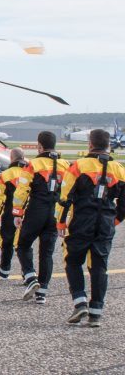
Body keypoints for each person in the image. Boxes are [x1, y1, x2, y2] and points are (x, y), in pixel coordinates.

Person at [57, 129, 125, 327]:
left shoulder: (79, 166)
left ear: (90, 144)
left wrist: (61, 222)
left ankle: (80, 301)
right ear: (108, 145)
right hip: (105, 222)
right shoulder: (120, 169)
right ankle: (96, 313)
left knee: (72, 261)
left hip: (81, 221)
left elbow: (64, 197)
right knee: (99, 266)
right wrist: (115, 220)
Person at [12, 131, 69, 304]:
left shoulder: (33, 164)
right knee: (47, 253)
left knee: (22, 245)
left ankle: (31, 278)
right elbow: (69, 192)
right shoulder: (66, 164)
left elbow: (22, 190)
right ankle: (42, 293)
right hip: (55, 213)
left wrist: (17, 212)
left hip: (36, 210)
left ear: (39, 146)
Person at [0, 148, 28, 279]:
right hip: (28, 212)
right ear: (23, 157)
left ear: (11, 159)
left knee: (7, 241)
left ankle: (5, 270)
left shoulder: (5, 175)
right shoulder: (30, 172)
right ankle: (27, 272)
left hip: (9, 213)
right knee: (24, 243)